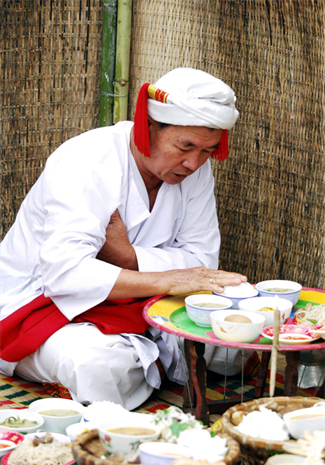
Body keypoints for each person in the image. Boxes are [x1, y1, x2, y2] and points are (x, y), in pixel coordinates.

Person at [0, 67, 249, 409]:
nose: (193, 163)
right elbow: (65, 274)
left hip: (143, 298)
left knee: (235, 338)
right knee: (96, 364)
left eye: (207, 151)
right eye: (185, 146)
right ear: (148, 129)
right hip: (44, 304)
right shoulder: (87, 161)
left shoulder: (196, 170)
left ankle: (150, 358)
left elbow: (203, 261)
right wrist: (167, 276)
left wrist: (128, 258)